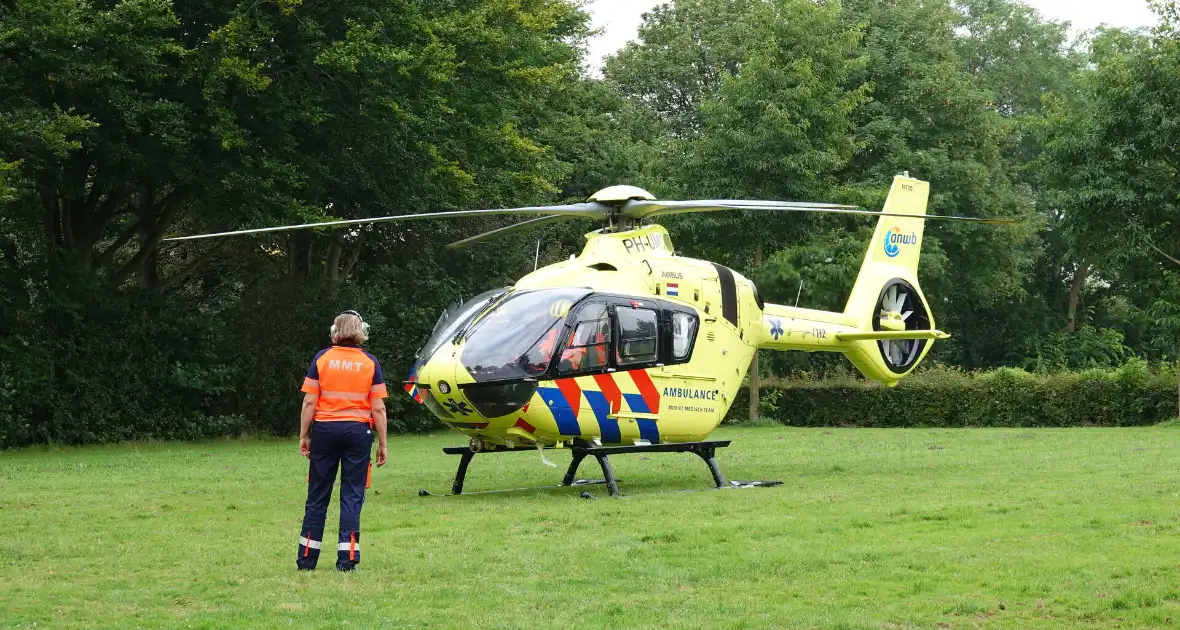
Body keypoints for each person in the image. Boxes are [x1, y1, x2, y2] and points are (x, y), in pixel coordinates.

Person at [296, 310, 388, 571]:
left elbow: (309, 401)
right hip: (359, 432)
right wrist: (383, 442)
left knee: (317, 496)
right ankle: (346, 560)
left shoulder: (322, 358)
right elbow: (378, 408)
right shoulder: (370, 362)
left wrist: (304, 434)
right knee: (352, 495)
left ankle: (307, 559)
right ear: (362, 331)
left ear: (334, 331)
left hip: (324, 431)